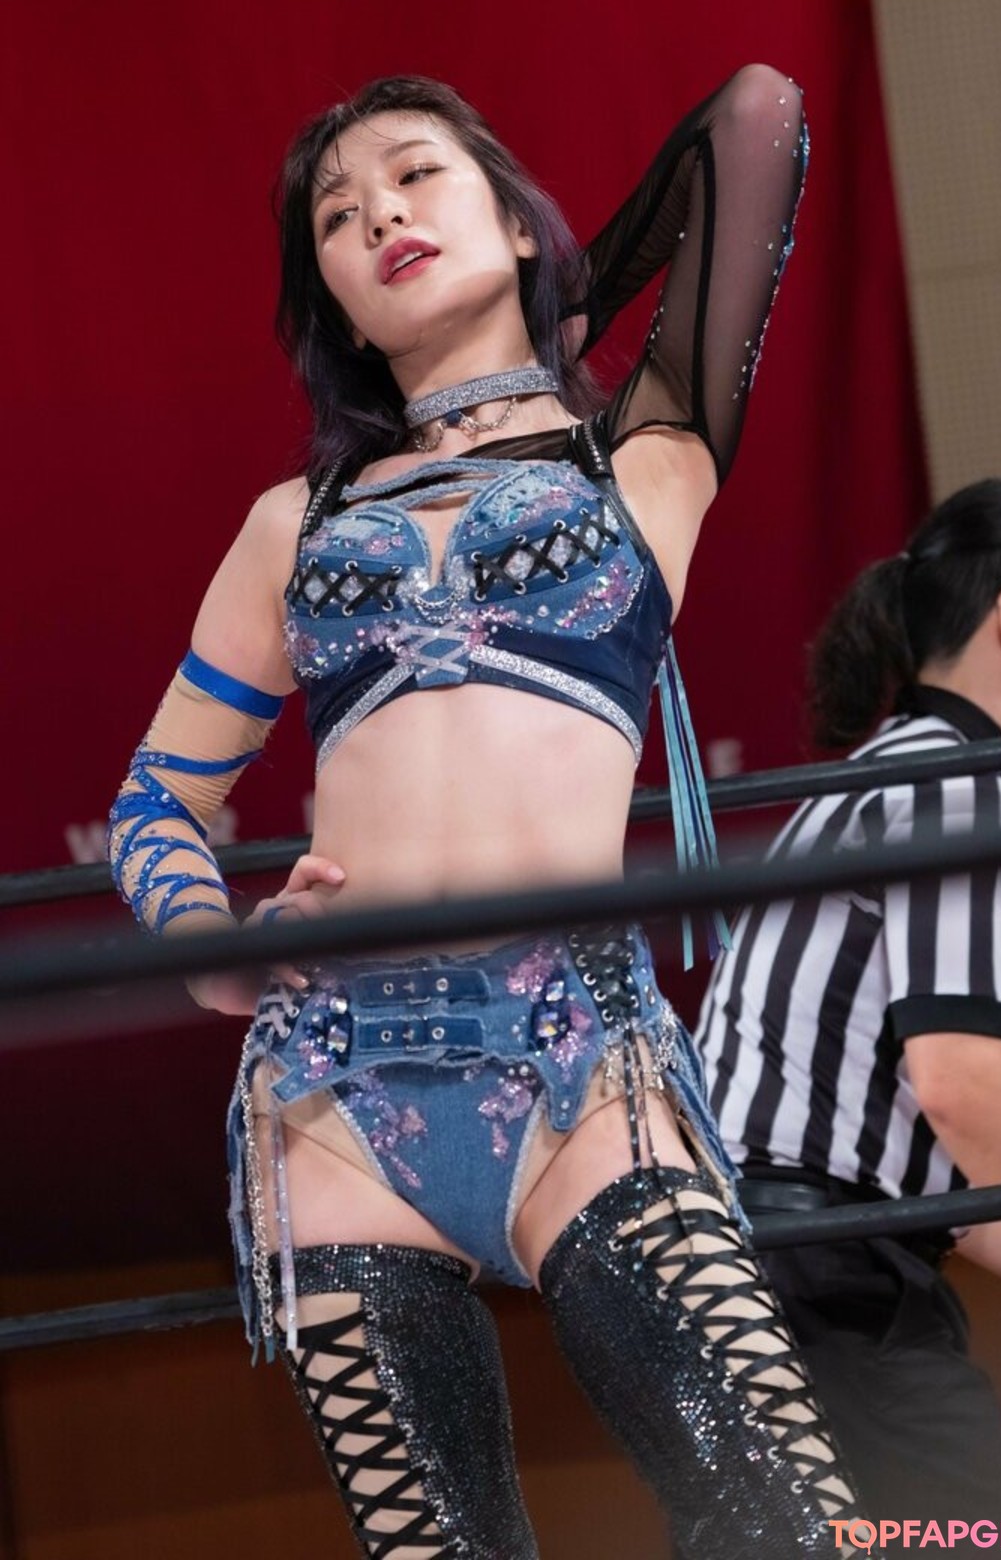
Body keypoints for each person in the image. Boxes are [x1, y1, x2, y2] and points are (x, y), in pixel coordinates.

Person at [107, 70, 871, 1559]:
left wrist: (564, 296)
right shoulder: (295, 524)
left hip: (578, 1057)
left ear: (515, 220)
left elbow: (759, 119)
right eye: (338, 218)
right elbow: (158, 798)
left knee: (788, 1520)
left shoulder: (643, 456)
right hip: (332, 1092)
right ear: (332, 298)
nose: (380, 216)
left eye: (417, 176)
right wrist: (213, 947)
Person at [695, 478, 1001, 1543]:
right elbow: (964, 1081)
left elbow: (932, 1162)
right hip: (820, 1276)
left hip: (760, 1265)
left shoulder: (889, 773)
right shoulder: (960, 787)